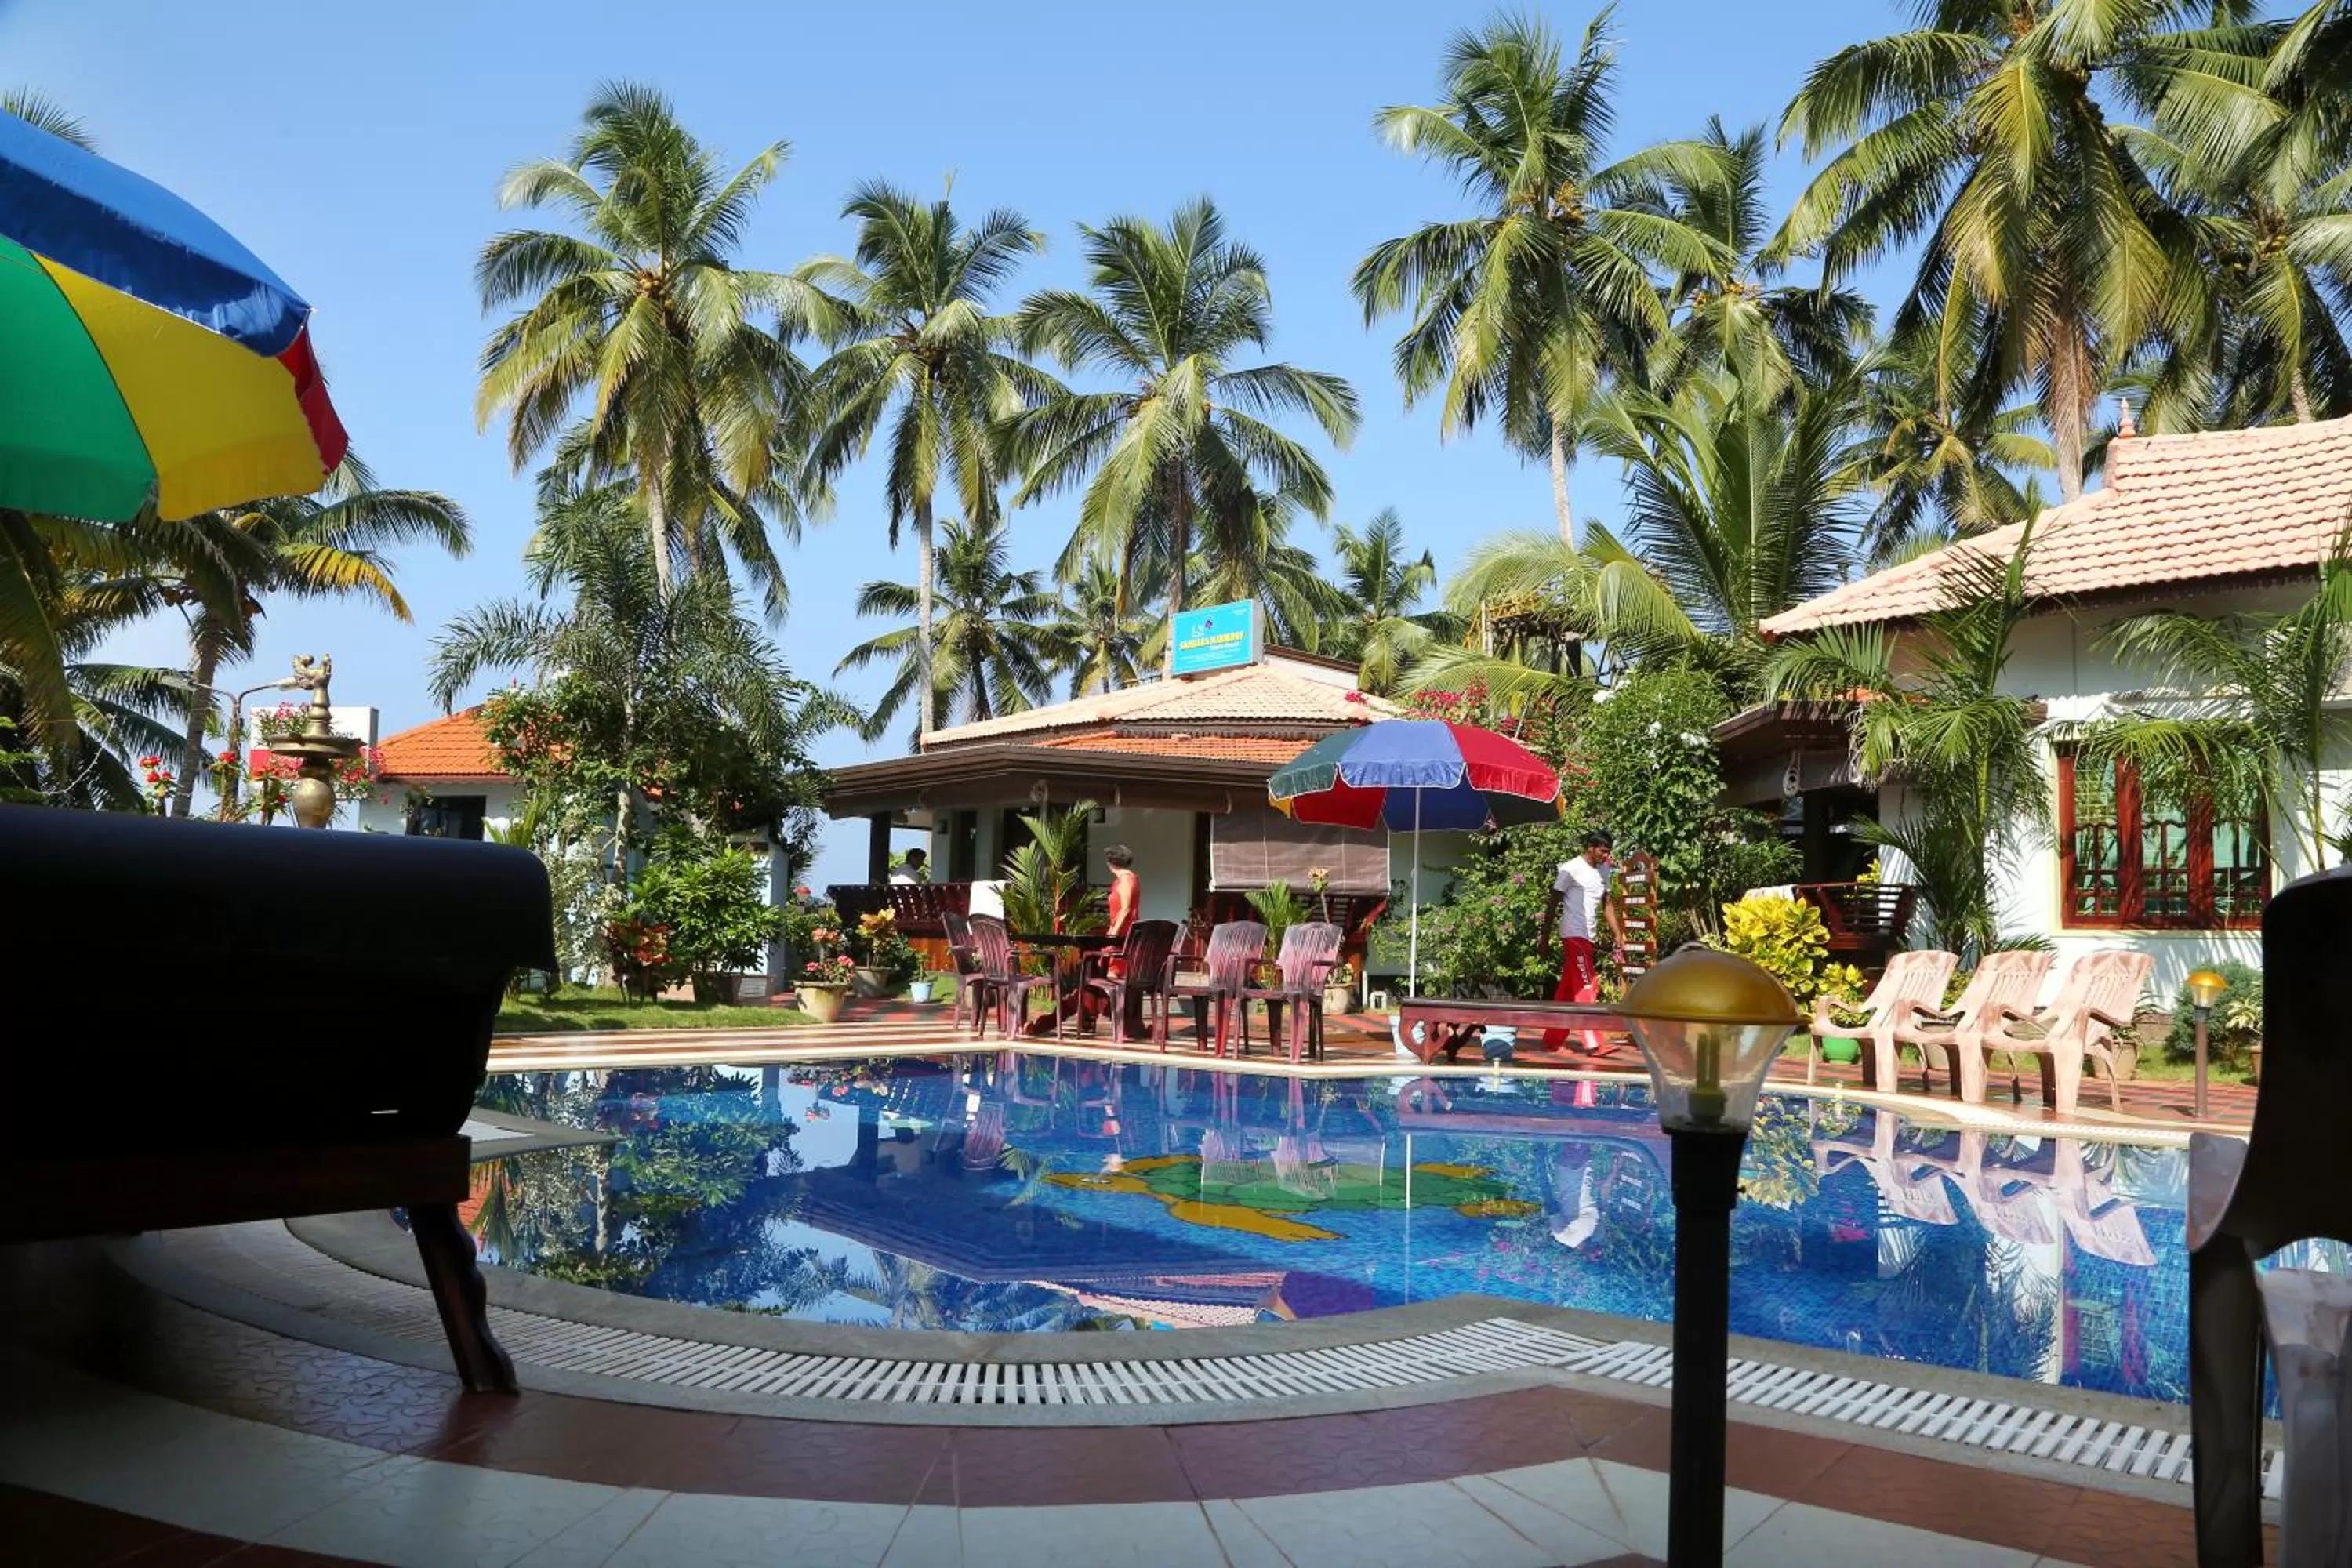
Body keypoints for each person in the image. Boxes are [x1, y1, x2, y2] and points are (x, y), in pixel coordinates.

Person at [1542, 829, 1624, 1051]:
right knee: (1587, 985)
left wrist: (1617, 932)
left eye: (1608, 852)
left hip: (1589, 937)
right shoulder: (1571, 869)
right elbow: (1553, 903)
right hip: (1574, 935)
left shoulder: (1604, 871)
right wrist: (1544, 937)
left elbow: (1607, 903)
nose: (1606, 856)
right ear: (1591, 847)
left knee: (1568, 993)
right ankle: (1594, 1043)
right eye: (1603, 851)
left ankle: (1552, 1039)